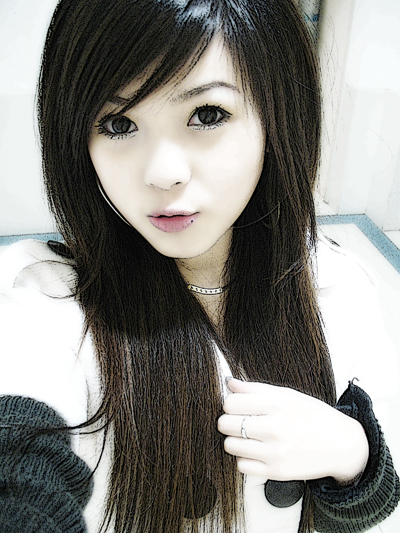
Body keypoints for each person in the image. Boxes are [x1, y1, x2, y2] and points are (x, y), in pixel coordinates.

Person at [0, 0, 399, 531]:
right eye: (118, 123)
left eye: (207, 115)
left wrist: (355, 458)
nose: (163, 173)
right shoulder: (45, 301)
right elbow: (20, 458)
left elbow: (365, 511)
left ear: (277, 116)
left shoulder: (336, 284)